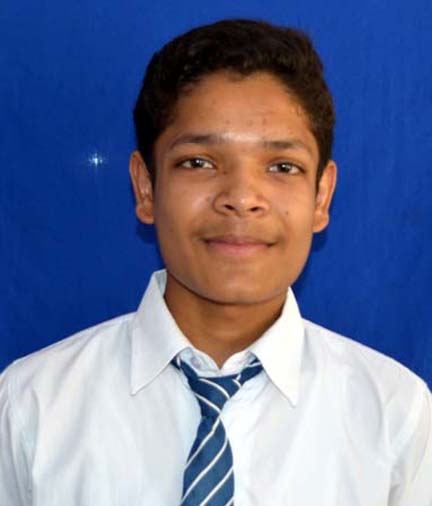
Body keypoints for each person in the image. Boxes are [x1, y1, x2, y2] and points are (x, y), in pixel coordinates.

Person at [0, 18, 431, 506]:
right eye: (199, 162)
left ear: (321, 196)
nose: (242, 198)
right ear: (146, 187)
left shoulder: (396, 416)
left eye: (282, 167)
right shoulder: (30, 408)